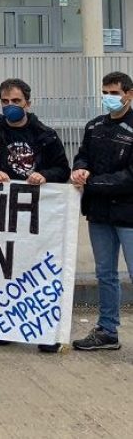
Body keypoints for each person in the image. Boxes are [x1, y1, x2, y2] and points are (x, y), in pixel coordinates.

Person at [0, 77, 69, 354]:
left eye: (16, 102)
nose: (10, 107)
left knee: (38, 270)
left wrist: (45, 175)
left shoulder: (45, 134)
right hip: (3, 213)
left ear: (28, 104)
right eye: (6, 102)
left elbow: (62, 169)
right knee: (5, 268)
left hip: (37, 213)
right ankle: (6, 326)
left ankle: (44, 330)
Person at [70, 71, 133, 352]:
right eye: (105, 92)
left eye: (114, 93)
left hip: (129, 215)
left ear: (129, 94)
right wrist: (80, 168)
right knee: (105, 274)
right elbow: (82, 153)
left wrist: (92, 183)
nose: (108, 98)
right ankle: (107, 330)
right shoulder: (94, 126)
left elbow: (130, 177)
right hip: (99, 214)